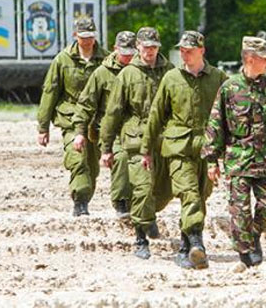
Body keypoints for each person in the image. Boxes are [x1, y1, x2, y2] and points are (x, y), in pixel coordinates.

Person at [202, 36, 266, 268]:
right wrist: (211, 161)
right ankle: (246, 251)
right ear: (250, 59)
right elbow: (216, 124)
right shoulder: (230, 88)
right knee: (240, 212)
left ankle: (254, 234)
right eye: (265, 59)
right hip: (239, 161)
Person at [141, 30, 227, 269]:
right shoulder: (171, 78)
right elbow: (156, 115)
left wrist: (229, 148)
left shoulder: (218, 78)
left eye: (189, 51)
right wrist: (146, 149)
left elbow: (229, 117)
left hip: (207, 149)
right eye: (181, 50)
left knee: (200, 197)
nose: (184, 55)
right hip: (178, 147)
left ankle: (184, 246)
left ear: (202, 51)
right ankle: (198, 243)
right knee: (189, 195)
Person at [100, 27, 174, 259]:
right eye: (145, 47)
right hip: (136, 138)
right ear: (138, 47)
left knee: (163, 191)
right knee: (142, 188)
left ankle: (148, 215)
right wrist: (106, 148)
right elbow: (112, 113)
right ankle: (140, 238)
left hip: (164, 140)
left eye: (153, 47)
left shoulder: (170, 72)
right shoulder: (127, 74)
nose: (149, 51)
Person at [37, 18, 109, 216]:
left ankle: (85, 194)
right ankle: (80, 202)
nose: (87, 41)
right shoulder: (63, 60)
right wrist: (43, 127)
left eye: (91, 37)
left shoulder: (106, 59)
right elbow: (50, 92)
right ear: (75, 36)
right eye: (83, 37)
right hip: (71, 118)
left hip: (96, 121)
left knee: (93, 167)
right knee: (78, 159)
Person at [72, 30, 136, 218]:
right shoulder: (102, 73)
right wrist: (80, 132)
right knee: (121, 157)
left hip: (136, 128)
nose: (128, 57)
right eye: (124, 53)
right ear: (115, 49)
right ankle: (121, 203)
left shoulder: (143, 71)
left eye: (132, 53)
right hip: (109, 130)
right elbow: (86, 104)